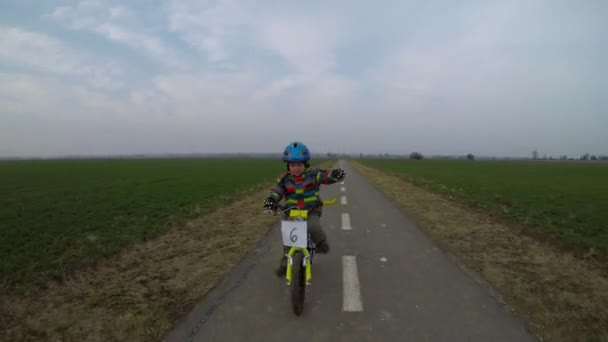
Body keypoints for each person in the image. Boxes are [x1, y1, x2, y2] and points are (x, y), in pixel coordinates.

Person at [263, 141, 346, 276]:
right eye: (293, 165)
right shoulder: (284, 179)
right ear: (288, 166)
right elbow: (277, 191)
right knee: (288, 241)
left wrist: (334, 175)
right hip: (291, 212)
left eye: (299, 165)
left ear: (305, 164)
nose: (296, 168)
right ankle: (285, 265)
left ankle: (321, 243)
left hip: (311, 211)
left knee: (314, 227)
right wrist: (272, 200)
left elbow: (325, 176)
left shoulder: (313, 174)